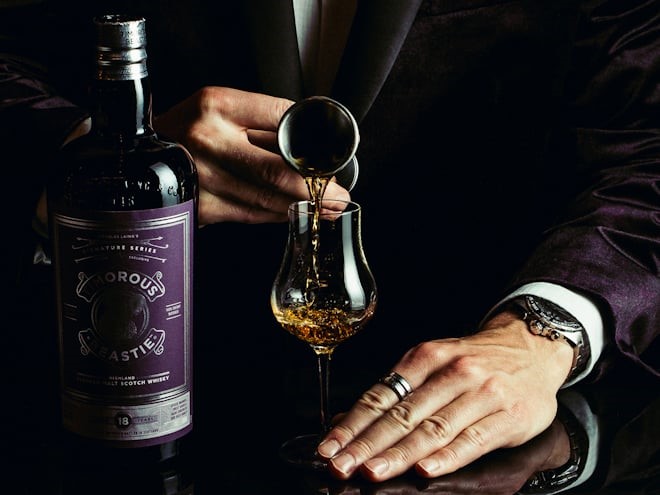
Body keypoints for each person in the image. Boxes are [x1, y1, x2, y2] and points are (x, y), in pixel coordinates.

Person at [2, 0, 658, 485]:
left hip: (477, 435)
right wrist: (98, 159)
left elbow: (647, 149)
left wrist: (541, 333)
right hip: (131, 420)